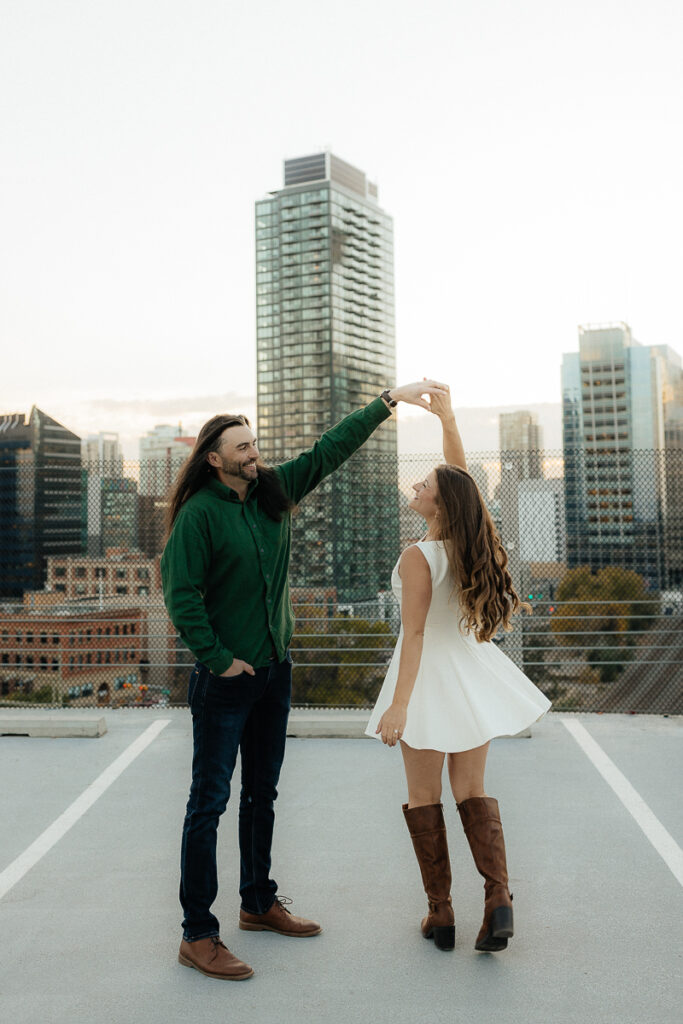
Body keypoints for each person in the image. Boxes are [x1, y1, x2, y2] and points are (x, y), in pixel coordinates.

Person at [161, 380, 447, 981]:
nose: (252, 453)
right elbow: (181, 597)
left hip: (274, 673)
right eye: (241, 447)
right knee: (208, 803)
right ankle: (197, 933)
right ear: (214, 458)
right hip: (226, 680)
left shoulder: (273, 491)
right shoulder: (199, 515)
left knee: (262, 794)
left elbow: (329, 449)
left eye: (253, 443)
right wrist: (217, 659)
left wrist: (390, 400)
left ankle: (258, 901)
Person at [365, 388, 551, 954]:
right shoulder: (473, 542)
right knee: (472, 788)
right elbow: (462, 481)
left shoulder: (417, 556)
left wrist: (398, 704)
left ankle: (440, 914)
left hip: (427, 677)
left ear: (440, 506)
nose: (416, 486)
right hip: (471, 675)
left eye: (424, 485)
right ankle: (499, 900)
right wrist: (447, 421)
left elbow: (415, 633)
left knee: (424, 795)